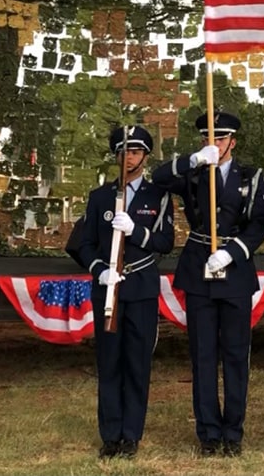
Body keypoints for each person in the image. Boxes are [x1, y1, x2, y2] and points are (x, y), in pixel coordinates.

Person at [151, 111, 264, 457]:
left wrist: (234, 252)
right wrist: (193, 160)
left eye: (220, 139)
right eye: (208, 138)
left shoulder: (251, 176)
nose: (214, 144)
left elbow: (259, 224)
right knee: (203, 356)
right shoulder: (193, 173)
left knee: (235, 356)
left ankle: (232, 432)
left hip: (234, 271)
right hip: (200, 268)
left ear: (233, 141)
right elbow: (158, 179)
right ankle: (208, 433)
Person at [74, 125, 175, 460]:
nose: (128, 157)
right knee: (110, 363)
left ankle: (131, 435)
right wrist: (99, 270)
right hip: (108, 291)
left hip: (141, 288)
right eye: (123, 151)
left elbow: (165, 242)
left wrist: (138, 231)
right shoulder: (99, 196)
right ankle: (110, 435)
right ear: (115, 155)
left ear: (144, 157)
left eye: (134, 151)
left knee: (137, 364)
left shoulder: (157, 196)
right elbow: (82, 244)